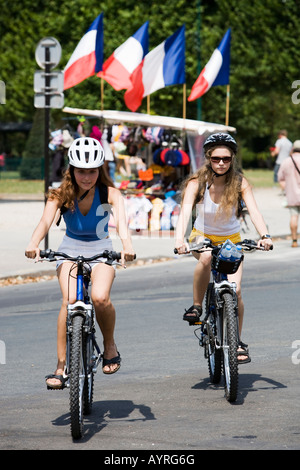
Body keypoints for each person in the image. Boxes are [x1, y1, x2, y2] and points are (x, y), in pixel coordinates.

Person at [25, 137, 135, 389]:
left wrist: (127, 247)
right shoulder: (60, 194)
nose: (87, 177)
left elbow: (123, 226)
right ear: (71, 170)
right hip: (70, 248)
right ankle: (61, 366)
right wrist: (33, 243)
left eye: (92, 171)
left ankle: (109, 346)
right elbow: (44, 222)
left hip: (102, 248)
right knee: (69, 301)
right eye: (81, 171)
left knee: (99, 297)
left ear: (100, 170)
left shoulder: (111, 193)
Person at [175, 133, 273, 364]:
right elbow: (185, 213)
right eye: (216, 158)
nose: (221, 163)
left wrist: (265, 236)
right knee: (206, 258)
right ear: (209, 158)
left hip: (231, 240)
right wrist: (180, 240)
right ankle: (197, 306)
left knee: (236, 290)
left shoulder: (239, 182)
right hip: (203, 236)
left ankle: (237, 341)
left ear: (232, 159)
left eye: (226, 159)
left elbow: (254, 212)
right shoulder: (196, 183)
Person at [278, 140, 300, 247]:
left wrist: (286, 189)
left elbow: (280, 178)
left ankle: (294, 241)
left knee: (293, 216)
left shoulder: (286, 161)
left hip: (292, 194)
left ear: (293, 149)